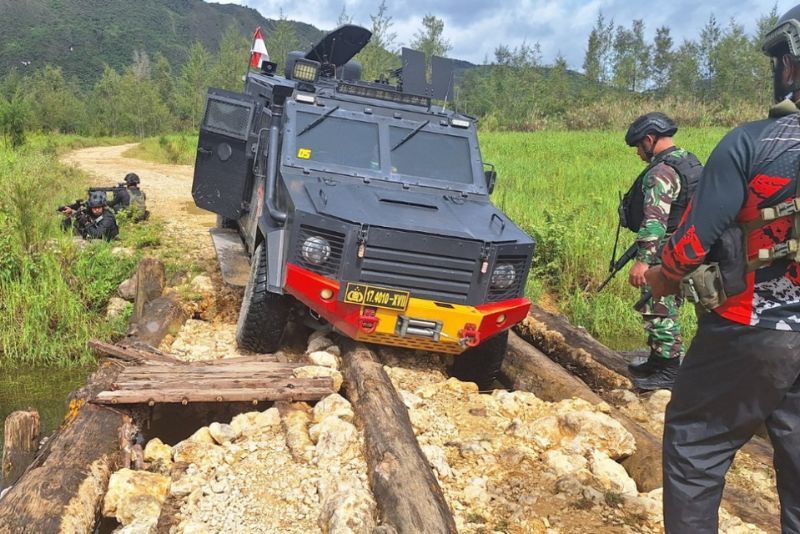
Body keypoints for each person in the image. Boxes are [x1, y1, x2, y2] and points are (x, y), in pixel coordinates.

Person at [645, 6, 800, 531]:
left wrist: (659, 276)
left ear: (789, 65)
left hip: (749, 329)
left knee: (696, 447)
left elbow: (690, 243)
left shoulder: (752, 142)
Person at [620, 112, 703, 391]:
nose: (638, 154)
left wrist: (642, 262)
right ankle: (657, 360)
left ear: (649, 139)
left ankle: (668, 370)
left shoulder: (661, 172)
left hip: (664, 251)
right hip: (685, 245)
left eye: (637, 147)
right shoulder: (688, 161)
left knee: (658, 306)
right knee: (661, 305)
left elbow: (654, 222)